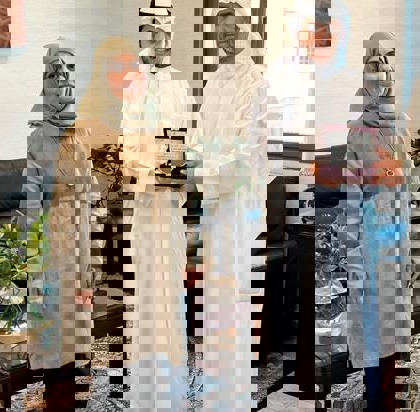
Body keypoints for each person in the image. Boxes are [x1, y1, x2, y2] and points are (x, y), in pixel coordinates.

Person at [185, 1, 277, 409]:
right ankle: (214, 388)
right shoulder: (213, 82)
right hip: (214, 204)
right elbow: (198, 135)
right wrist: (190, 161)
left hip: (239, 205)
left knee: (236, 295)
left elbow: (245, 151)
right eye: (220, 27)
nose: (226, 34)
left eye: (233, 27)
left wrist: (205, 173)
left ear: (247, 32)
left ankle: (234, 393)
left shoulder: (258, 84)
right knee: (214, 295)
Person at [120, 1, 193, 410]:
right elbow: (127, 147)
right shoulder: (133, 86)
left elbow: (189, 143)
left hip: (171, 208)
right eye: (150, 32)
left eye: (163, 32)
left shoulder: (181, 88)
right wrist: (153, 169)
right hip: (146, 205)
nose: (157, 40)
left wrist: (180, 166)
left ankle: (171, 384)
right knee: (147, 288)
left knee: (170, 288)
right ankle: (146, 386)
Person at [337, 32, 412, 412]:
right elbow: (352, 191)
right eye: (372, 61)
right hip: (371, 231)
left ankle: (390, 396)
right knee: (371, 318)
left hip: (397, 227)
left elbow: (404, 183)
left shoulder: (402, 125)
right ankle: (374, 399)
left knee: (393, 318)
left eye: (387, 59)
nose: (380, 68)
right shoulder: (357, 131)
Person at [23, 39, 95, 411]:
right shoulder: (38, 138)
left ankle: (76, 393)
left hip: (79, 235)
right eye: (55, 73)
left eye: (69, 72)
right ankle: (56, 393)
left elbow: (89, 196)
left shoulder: (79, 135)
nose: (63, 79)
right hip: (53, 239)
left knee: (80, 322)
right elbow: (31, 206)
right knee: (54, 324)